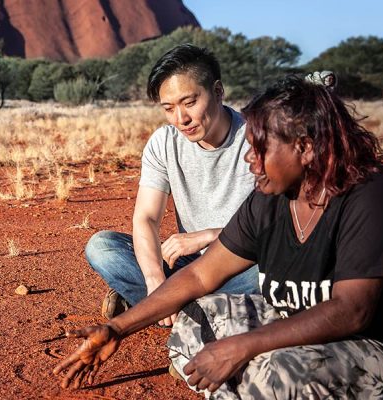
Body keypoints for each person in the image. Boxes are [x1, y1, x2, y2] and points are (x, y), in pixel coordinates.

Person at [53, 76, 383, 398]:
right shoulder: (272, 197)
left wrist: (244, 347)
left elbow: (352, 312)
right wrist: (118, 329)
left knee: (275, 373)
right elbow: (199, 277)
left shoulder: (372, 192)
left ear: (304, 148)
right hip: (326, 336)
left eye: (259, 149)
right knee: (194, 327)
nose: (250, 161)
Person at [86, 44, 259, 328]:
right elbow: (147, 217)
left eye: (190, 102)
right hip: (186, 267)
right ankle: (196, 313)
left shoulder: (257, 138)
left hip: (240, 263)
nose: (181, 119)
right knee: (102, 247)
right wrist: (155, 280)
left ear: (217, 92)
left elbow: (281, 230)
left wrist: (211, 235)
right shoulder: (164, 142)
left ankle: (167, 311)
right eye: (169, 108)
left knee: (266, 272)